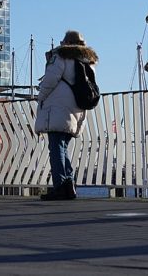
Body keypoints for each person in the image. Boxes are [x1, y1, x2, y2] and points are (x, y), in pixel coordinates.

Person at [34, 30, 99, 201]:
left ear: (67, 43)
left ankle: (60, 186)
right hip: (75, 109)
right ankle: (69, 185)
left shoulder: (61, 56)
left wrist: (40, 97)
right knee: (62, 147)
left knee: (55, 148)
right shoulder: (87, 62)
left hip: (57, 108)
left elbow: (50, 80)